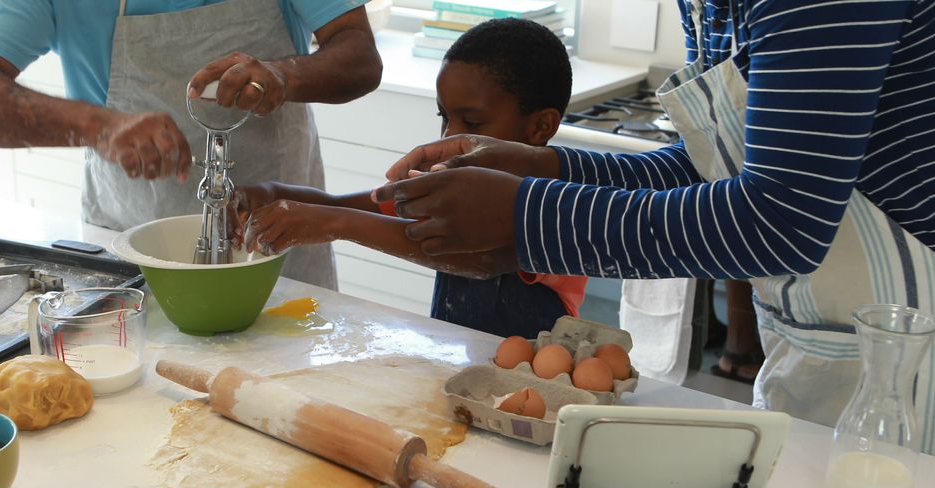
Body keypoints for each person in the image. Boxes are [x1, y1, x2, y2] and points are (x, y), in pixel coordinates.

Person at [373, 0, 935, 454]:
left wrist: (525, 209)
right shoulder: (707, 7)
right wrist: (547, 165)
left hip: (908, 334)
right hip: (820, 330)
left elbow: (783, 219)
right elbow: (707, 163)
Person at [0, 0, 383, 290]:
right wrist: (96, 126)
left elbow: (360, 54)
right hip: (131, 262)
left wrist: (285, 74)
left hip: (280, 259)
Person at [233, 18, 587, 338]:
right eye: (444, 117)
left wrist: (336, 223)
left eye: (473, 123)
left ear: (541, 126)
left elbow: (479, 259)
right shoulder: (452, 185)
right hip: (463, 364)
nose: (450, 136)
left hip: (538, 370)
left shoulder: (554, 205)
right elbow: (352, 204)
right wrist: (271, 193)